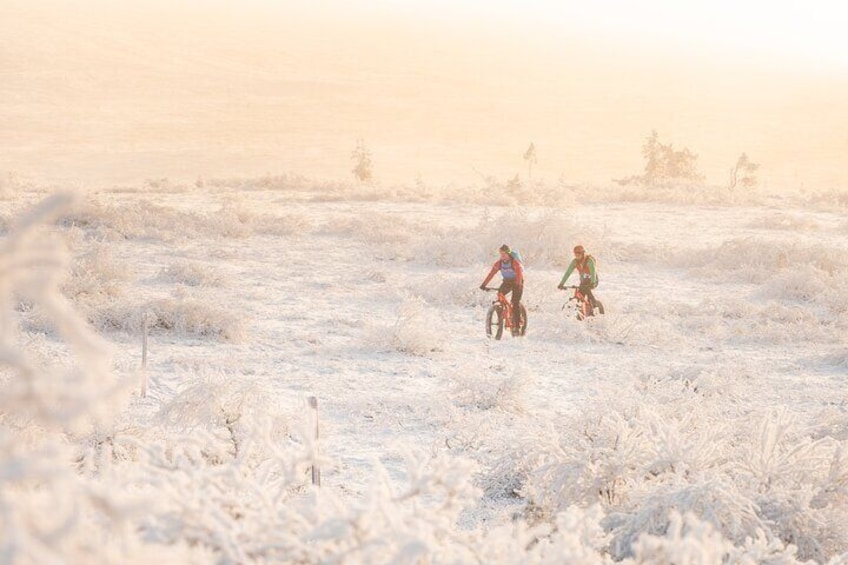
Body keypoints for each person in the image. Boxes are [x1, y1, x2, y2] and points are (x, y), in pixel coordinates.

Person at [480, 244, 525, 335]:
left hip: (517, 282)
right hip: (507, 282)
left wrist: (518, 284)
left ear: (509, 254)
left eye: (505, 254)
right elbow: (491, 274)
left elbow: (519, 274)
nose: (503, 256)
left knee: (515, 302)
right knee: (500, 294)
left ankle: (517, 325)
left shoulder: (514, 263)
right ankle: (501, 315)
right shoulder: (499, 263)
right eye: (501, 254)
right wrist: (484, 284)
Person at [557, 245, 598, 318]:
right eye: (575, 254)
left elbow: (593, 272)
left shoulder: (589, 261)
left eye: (578, 254)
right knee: (579, 294)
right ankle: (581, 311)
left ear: (582, 253)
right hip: (583, 281)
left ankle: (595, 307)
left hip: (593, 279)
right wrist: (561, 283)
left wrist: (593, 282)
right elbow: (568, 273)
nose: (577, 255)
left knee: (587, 291)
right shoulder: (575, 262)